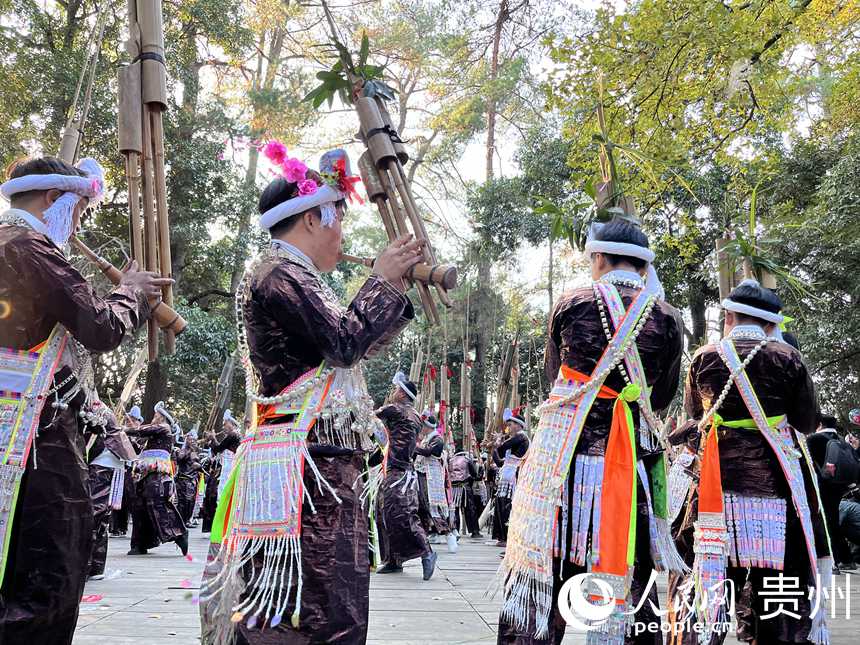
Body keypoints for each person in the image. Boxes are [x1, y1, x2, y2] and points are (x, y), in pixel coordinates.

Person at [199, 148, 422, 643]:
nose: (342, 230)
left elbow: (350, 346)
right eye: (338, 215)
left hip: (312, 461)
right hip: (306, 467)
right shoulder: (282, 274)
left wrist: (391, 289)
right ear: (310, 219)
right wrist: (380, 281)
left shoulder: (295, 275)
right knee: (315, 605)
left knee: (324, 599)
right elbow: (344, 343)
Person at [0, 156, 168, 643]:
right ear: (53, 199)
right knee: (47, 569)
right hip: (32, 437)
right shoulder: (30, 246)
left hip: (18, 428)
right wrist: (131, 293)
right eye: (79, 210)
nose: (79, 223)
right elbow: (99, 327)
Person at [496, 218, 685, 644]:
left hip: (558, 465)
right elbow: (663, 396)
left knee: (540, 575)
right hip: (626, 470)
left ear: (597, 257)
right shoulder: (667, 320)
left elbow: (555, 382)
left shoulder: (571, 302)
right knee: (630, 582)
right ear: (641, 265)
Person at [670, 279, 827, 645]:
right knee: (778, 587)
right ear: (772, 324)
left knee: (704, 582)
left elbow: (695, 413)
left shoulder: (705, 357)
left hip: (712, 489)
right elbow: (806, 422)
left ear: (729, 316)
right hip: (773, 490)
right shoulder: (788, 357)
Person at [374, 371, 438, 579]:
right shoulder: (416, 415)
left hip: (396, 471)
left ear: (402, 393)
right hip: (404, 471)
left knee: (400, 515)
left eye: (395, 389)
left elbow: (370, 417)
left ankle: (427, 552)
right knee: (386, 512)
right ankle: (393, 560)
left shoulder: (395, 409)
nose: (393, 392)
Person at [126, 401, 189, 556]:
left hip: (158, 472)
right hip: (144, 473)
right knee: (139, 505)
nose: (153, 418)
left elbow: (142, 430)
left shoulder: (164, 428)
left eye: (156, 415)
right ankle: (140, 543)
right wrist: (129, 436)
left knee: (156, 502)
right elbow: (137, 449)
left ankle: (179, 534)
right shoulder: (152, 435)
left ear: (162, 418)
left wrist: (126, 429)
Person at [85, 404, 137, 580]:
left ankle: (87, 566)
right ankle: (95, 567)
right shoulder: (99, 407)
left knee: (93, 514)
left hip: (103, 465)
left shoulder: (92, 405)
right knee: (100, 517)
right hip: (111, 464)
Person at [806, 414, 856, 570]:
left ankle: (831, 561)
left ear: (819, 424)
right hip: (839, 486)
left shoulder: (813, 439)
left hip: (821, 486)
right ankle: (846, 559)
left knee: (824, 522)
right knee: (832, 520)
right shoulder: (841, 440)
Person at [415, 413, 455, 551]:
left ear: (427, 427)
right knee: (422, 506)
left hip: (432, 478)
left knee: (433, 507)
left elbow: (427, 452)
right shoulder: (427, 439)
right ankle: (427, 535)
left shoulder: (437, 440)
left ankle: (449, 534)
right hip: (423, 475)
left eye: (423, 426)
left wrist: (413, 446)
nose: (421, 428)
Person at [491, 408, 529, 547]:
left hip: (513, 476)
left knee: (507, 505)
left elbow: (501, 449)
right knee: (502, 503)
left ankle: (507, 537)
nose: (508, 427)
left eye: (511, 424)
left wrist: (497, 443)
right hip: (507, 475)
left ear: (519, 425)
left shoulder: (521, 437)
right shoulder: (516, 438)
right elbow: (499, 461)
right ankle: (502, 537)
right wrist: (495, 447)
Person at [111, 405, 144, 536]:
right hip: (121, 468)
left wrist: (134, 439)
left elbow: (139, 452)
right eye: (130, 418)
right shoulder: (121, 431)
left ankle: (133, 528)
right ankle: (116, 527)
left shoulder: (141, 435)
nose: (130, 420)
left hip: (135, 471)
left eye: (134, 419)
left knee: (131, 499)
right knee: (118, 497)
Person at [450, 446, 481, 538]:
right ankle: (475, 532)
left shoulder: (450, 461)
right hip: (465, 487)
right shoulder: (467, 460)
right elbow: (474, 474)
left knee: (454, 510)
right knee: (470, 509)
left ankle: (455, 530)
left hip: (453, 488)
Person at [175, 432, 203, 528]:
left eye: (194, 440)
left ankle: (187, 520)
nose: (192, 441)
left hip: (192, 481)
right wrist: (188, 450)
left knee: (190, 502)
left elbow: (198, 464)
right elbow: (179, 458)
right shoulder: (184, 450)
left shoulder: (195, 452)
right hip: (183, 480)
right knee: (183, 502)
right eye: (190, 439)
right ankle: (181, 521)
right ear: (186, 440)